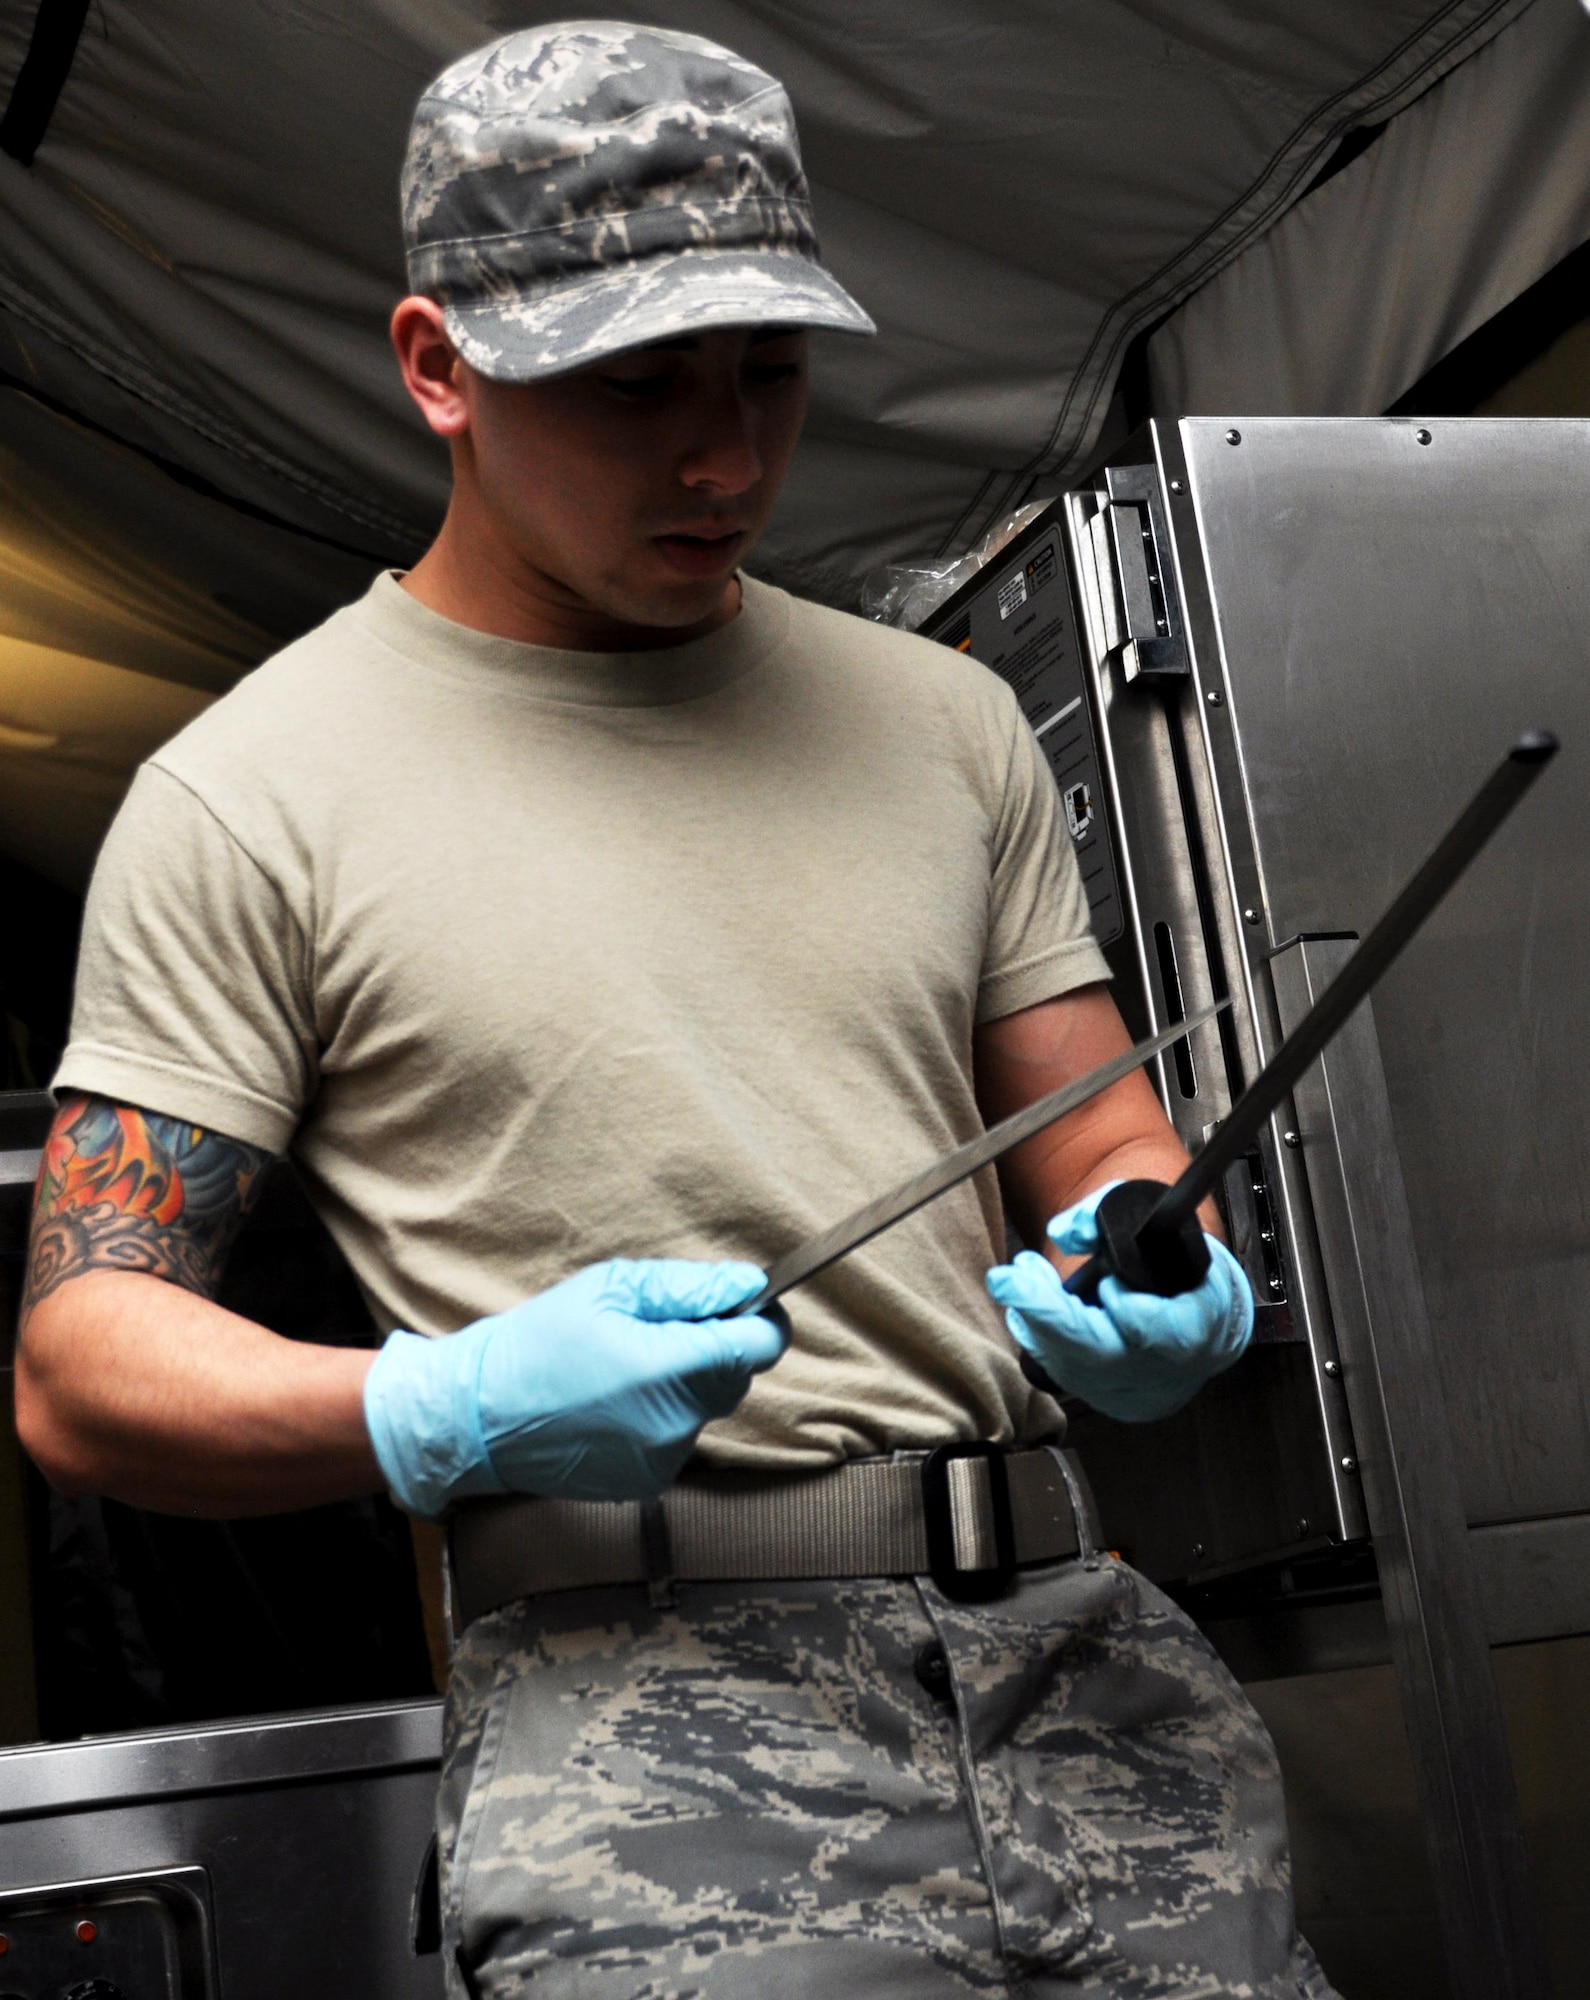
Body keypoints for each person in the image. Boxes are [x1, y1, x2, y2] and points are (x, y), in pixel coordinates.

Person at [17, 23, 1333, 1999]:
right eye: (636, 390)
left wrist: (1166, 1262)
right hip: (656, 1759)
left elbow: (1105, 1136)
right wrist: (440, 1406)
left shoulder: (944, 721)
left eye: (770, 372)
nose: (725, 456)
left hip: (1100, 1681)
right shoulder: (252, 798)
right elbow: (83, 1367)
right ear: (436, 365)